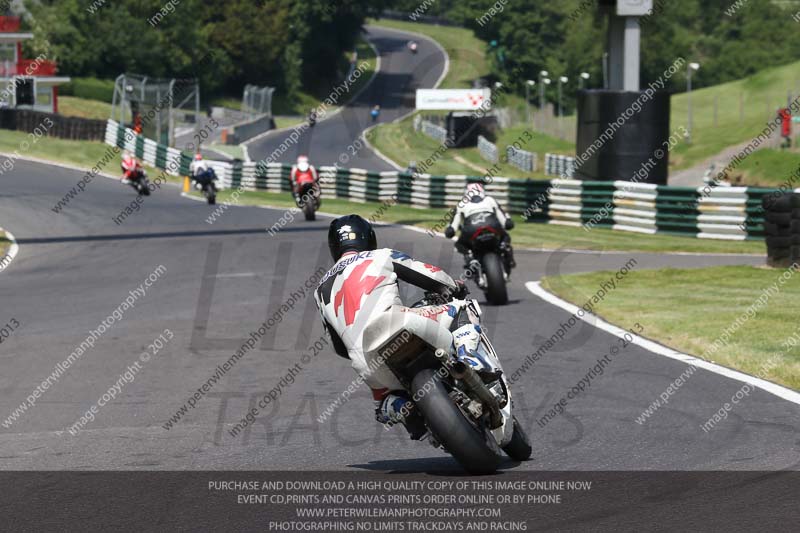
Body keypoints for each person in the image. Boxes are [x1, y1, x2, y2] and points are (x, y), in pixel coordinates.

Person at [315, 215, 485, 435]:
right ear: (369, 238)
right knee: (463, 306)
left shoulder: (319, 289)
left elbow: (338, 347)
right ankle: (469, 360)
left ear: (333, 246)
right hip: (401, 324)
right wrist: (452, 286)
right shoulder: (380, 255)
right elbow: (427, 274)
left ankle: (397, 407)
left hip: (365, 361)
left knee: (382, 401)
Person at [444, 182, 516, 271]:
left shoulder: (461, 204)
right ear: (482, 191)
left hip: (471, 230)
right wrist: (508, 223)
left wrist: (449, 231)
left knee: (459, 244)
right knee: (505, 236)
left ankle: (470, 258)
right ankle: (506, 251)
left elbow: (452, 229)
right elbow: (506, 222)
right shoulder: (490, 199)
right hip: (493, 227)